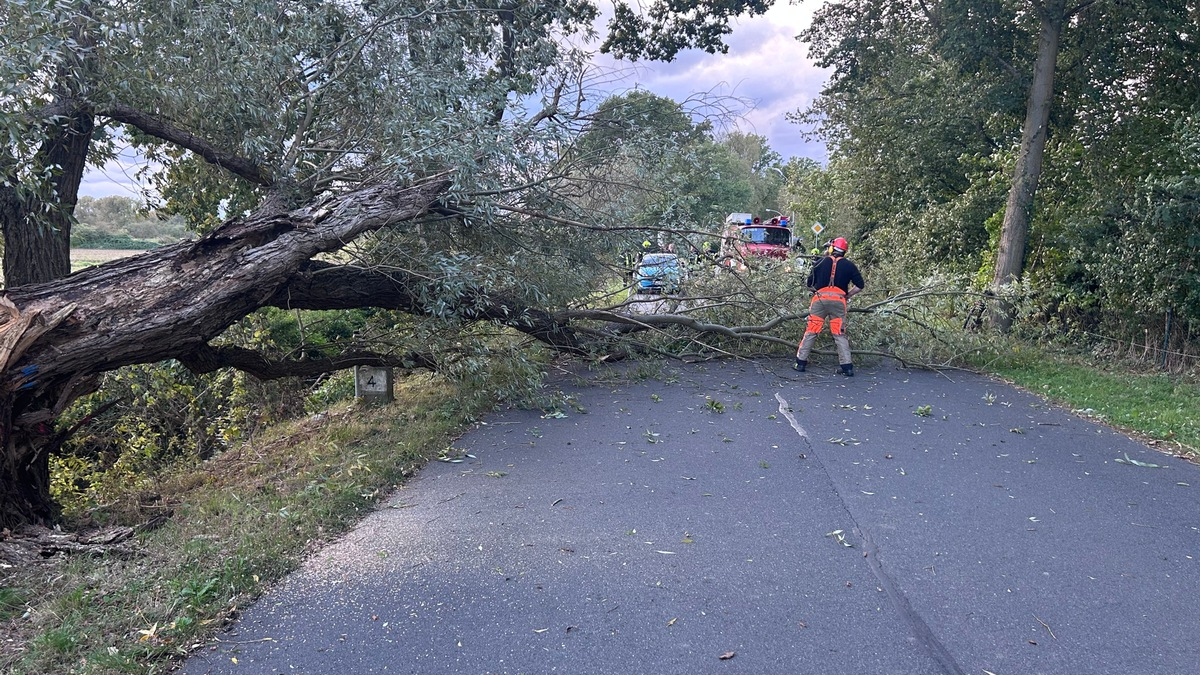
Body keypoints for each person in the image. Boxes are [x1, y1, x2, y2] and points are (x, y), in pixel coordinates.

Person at [794, 236, 865, 376]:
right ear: (845, 251)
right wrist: (847, 295)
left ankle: (800, 363)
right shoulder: (849, 265)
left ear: (832, 248)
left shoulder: (820, 262)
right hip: (839, 301)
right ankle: (847, 367)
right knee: (839, 334)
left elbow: (809, 285)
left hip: (819, 300)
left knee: (811, 331)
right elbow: (860, 285)